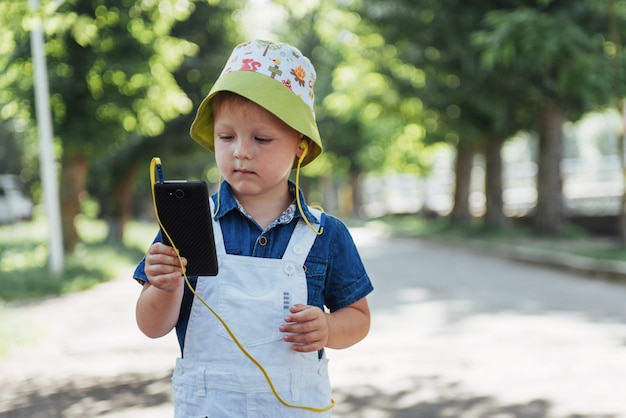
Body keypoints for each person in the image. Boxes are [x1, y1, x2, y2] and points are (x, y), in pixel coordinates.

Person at [133, 39, 373, 417]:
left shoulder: (326, 235)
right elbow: (151, 326)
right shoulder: (185, 223)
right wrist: (165, 286)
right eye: (226, 137)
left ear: (301, 145)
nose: (240, 151)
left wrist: (328, 327)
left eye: (261, 139)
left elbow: (358, 318)